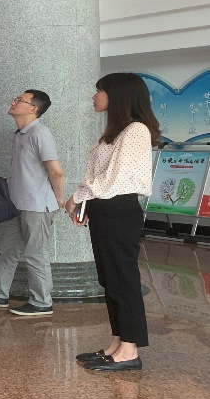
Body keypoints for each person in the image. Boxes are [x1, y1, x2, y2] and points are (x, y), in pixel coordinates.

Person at [65, 73, 159, 372]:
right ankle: (118, 343)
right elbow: (96, 176)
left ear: (117, 95)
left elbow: (114, 179)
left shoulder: (136, 130)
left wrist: (77, 197)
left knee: (122, 279)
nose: (94, 97)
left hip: (119, 208)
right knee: (110, 279)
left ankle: (129, 351)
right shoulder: (115, 132)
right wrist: (85, 202)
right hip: (104, 208)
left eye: (99, 91)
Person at [0, 90, 65, 316]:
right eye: (16, 98)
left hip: (37, 205)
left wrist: (59, 199)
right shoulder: (20, 133)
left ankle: (42, 302)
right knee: (7, 251)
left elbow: (56, 171)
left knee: (35, 254)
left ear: (33, 108)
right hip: (17, 203)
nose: (14, 102)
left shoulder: (40, 133)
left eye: (20, 100)